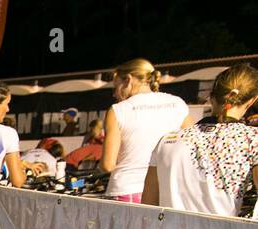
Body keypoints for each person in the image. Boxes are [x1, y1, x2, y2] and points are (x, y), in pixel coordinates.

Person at [144, 64, 258, 217]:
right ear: (252, 100)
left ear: (211, 97)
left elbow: (147, 207)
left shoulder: (167, 140)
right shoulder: (252, 140)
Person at [100, 58, 192, 202]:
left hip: (128, 189)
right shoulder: (177, 103)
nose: (114, 94)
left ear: (128, 80)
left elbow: (107, 164)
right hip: (167, 190)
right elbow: (191, 147)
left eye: (115, 87)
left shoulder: (118, 110)